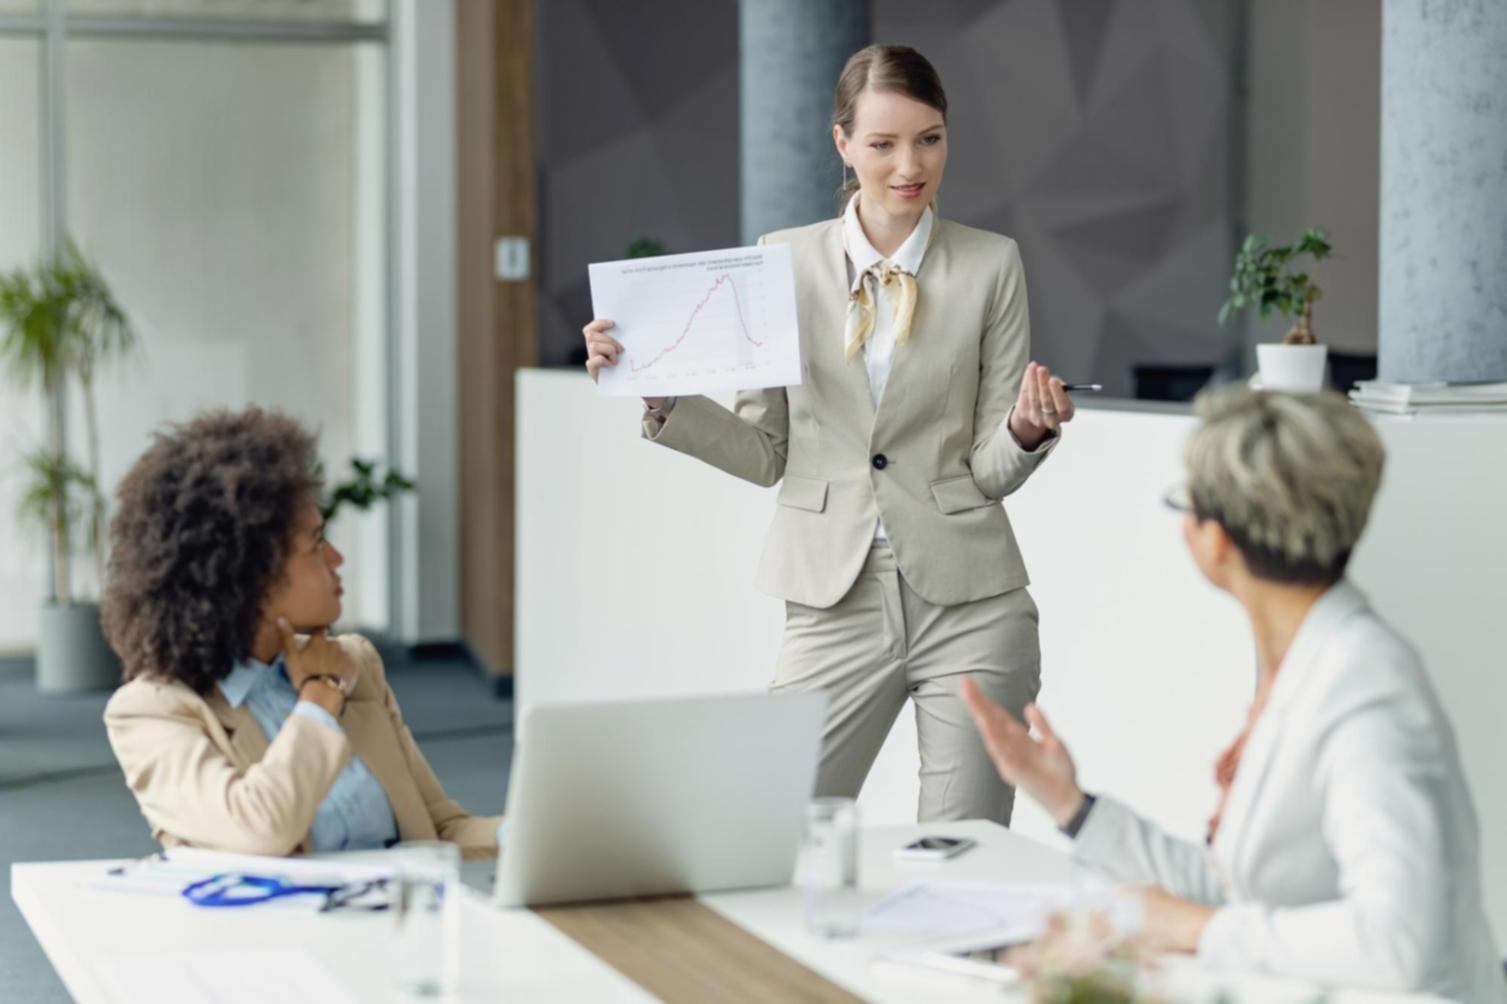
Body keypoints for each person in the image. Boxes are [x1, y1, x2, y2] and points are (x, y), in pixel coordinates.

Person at [583, 45, 1078, 825]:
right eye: (882, 143)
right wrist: (666, 395)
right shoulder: (780, 260)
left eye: (929, 138)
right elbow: (765, 451)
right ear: (842, 143)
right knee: (768, 824)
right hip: (831, 597)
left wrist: (1022, 429)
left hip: (974, 606)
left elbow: (986, 471)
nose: (909, 165)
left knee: (962, 857)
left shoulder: (991, 265)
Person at [962, 388, 1506, 1000]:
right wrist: (1070, 804)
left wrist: (1199, 929)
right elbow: (1240, 892)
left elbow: (1396, 941)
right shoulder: (1304, 662)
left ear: (1217, 540)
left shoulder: (1366, 692)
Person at [102, 407, 501, 858]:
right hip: (286, 927)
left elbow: (440, 830)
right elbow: (259, 827)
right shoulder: (154, 711)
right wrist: (320, 698)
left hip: (408, 917)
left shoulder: (356, 662)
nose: (336, 559)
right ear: (250, 577)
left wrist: (530, 834)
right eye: (315, 544)